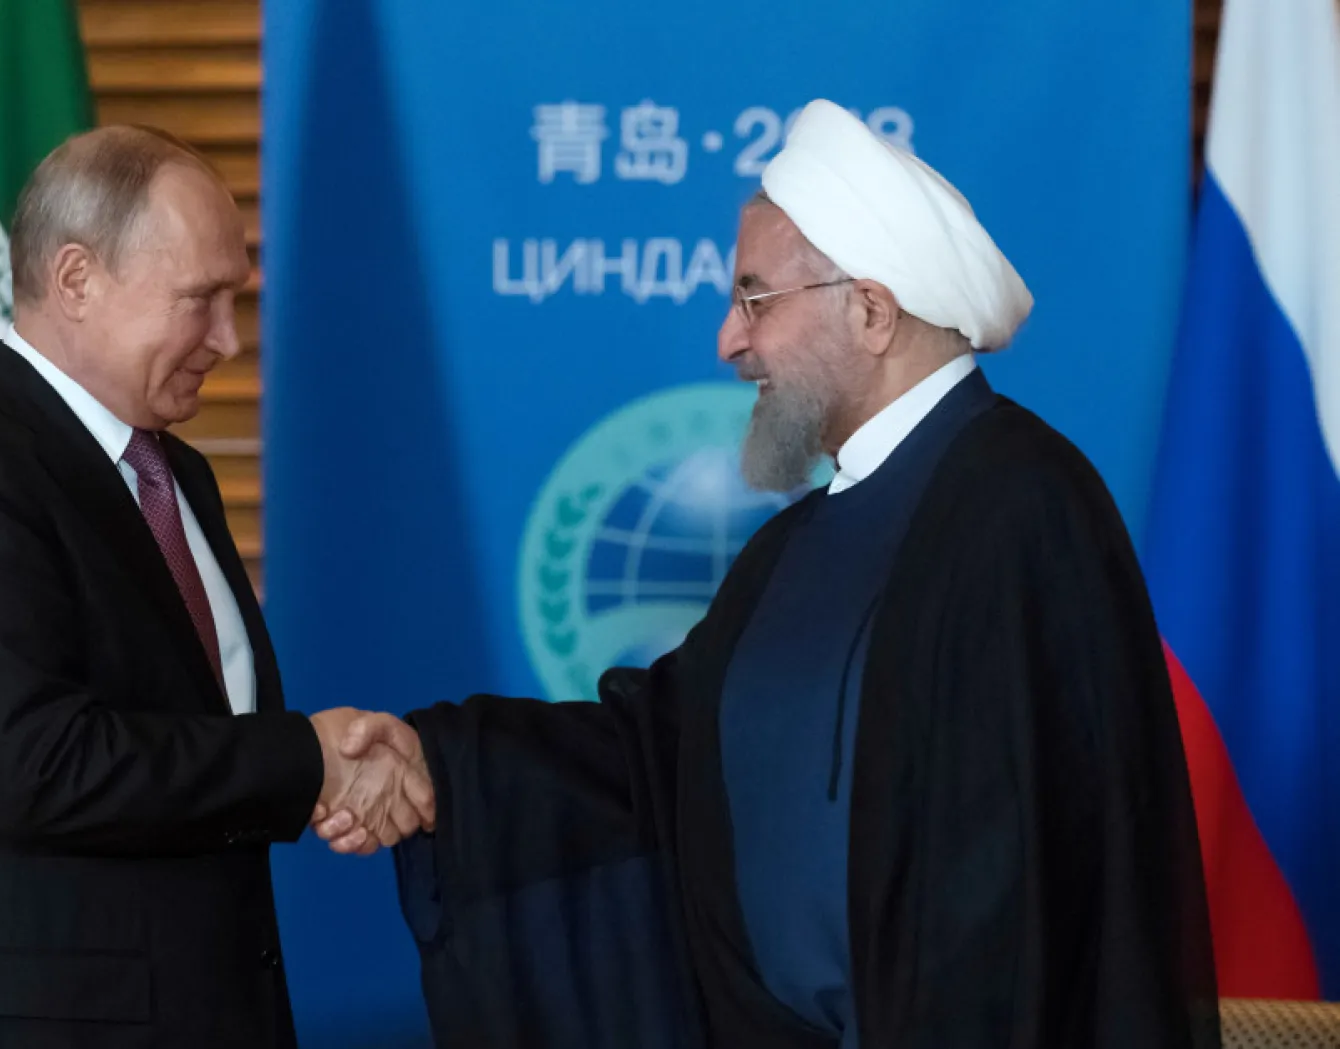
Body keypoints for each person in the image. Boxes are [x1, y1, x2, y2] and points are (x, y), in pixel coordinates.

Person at [317, 100, 1219, 1049]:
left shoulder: (1023, 506)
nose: (728, 340)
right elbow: (659, 756)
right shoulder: (794, 545)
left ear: (870, 310)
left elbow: (1025, 892)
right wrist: (438, 763)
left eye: (755, 300)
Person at [0, 126, 431, 1049]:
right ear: (77, 278)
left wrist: (314, 770)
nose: (229, 340)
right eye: (201, 300)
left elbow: (201, 743)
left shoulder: (175, 474)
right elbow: (39, 767)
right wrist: (307, 761)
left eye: (234, 302)